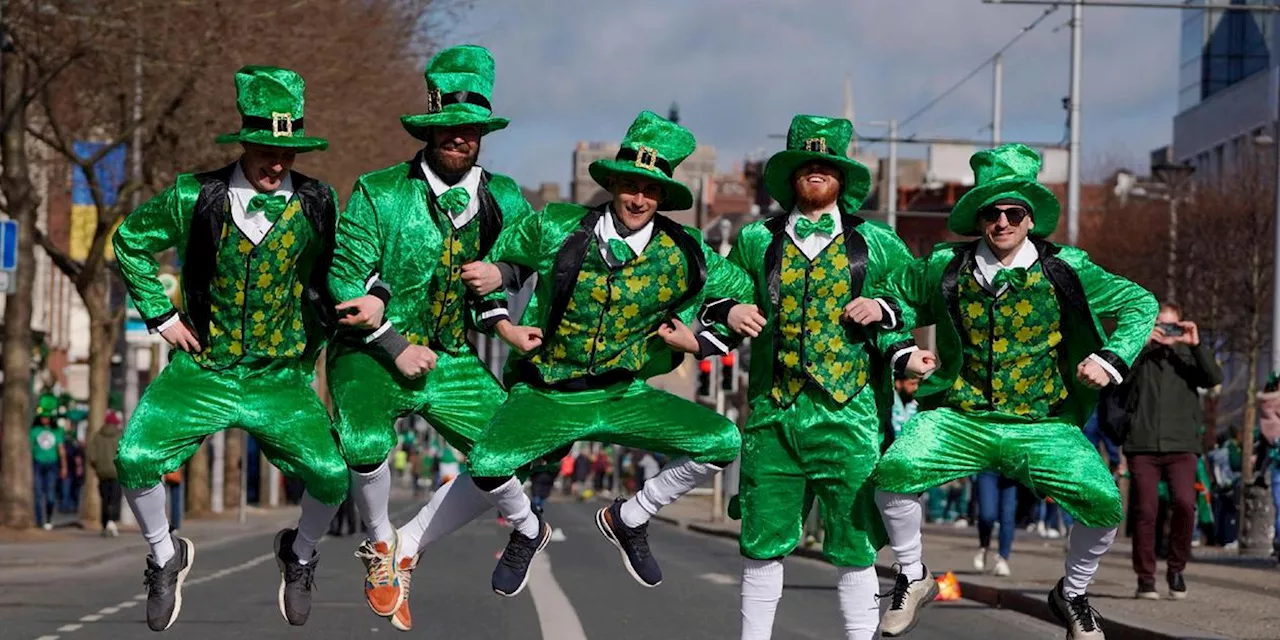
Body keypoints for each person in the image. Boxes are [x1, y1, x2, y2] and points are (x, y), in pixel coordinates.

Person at [862, 144, 1158, 639]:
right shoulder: (946, 267)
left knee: (1105, 502)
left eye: (1013, 212)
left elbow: (1139, 302)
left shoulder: (1067, 269)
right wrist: (901, 349)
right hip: (962, 416)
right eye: (992, 213)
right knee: (894, 471)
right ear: (980, 218)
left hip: (1040, 422)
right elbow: (892, 297)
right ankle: (913, 576)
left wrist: (1110, 359)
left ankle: (1073, 593)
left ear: (1029, 217)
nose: (1002, 222)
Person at [464, 110, 754, 598]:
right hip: (549, 391)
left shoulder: (685, 250)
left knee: (723, 440)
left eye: (651, 191)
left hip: (624, 393)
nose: (639, 199)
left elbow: (738, 298)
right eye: (630, 186)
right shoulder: (557, 224)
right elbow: (500, 265)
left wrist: (700, 341)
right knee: (486, 463)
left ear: (662, 196)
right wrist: (501, 317)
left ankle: (631, 516)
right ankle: (528, 529)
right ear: (613, 184)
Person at [112, 66, 355, 630]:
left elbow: (339, 270)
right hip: (204, 368)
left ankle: (299, 553)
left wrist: (352, 318)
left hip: (279, 377)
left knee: (332, 474)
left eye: (288, 151)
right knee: (133, 457)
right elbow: (129, 240)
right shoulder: (194, 196)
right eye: (266, 148)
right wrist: (163, 314)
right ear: (244, 141)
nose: (276, 162)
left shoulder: (319, 202)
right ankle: (163, 554)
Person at [323, 44, 534, 631]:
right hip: (372, 351)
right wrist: (393, 341)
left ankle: (410, 545)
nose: (457, 138)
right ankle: (380, 545)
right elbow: (345, 277)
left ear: (481, 134)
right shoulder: (379, 191)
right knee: (364, 441)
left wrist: (505, 287)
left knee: (517, 445)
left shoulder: (505, 198)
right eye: (446, 128)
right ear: (429, 129)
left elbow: (519, 261)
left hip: (455, 357)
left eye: (468, 129)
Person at [714, 114, 916, 640]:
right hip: (773, 412)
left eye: (826, 165)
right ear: (792, 176)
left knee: (855, 543)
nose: (816, 173)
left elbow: (913, 295)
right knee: (762, 538)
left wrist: (884, 308)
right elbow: (728, 287)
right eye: (807, 165)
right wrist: (731, 310)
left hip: (850, 415)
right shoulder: (757, 237)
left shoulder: (877, 241)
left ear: (842, 177)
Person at [1122, 302, 1222, 599]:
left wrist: (1195, 344)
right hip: (1143, 444)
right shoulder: (1142, 355)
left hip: (1182, 444)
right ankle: (1146, 578)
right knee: (1146, 510)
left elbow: (1214, 379)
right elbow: (1119, 382)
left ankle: (1176, 568)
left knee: (1184, 503)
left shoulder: (1188, 356)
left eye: (1172, 326)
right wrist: (1142, 344)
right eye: (1161, 325)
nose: (1166, 332)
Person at [29, 394, 66, 531]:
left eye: (47, 417)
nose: (45, 419)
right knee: (38, 493)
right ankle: (39, 520)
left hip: (52, 465)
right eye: (43, 417)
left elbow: (61, 449)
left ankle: (49, 519)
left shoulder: (57, 431)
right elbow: (30, 448)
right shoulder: (35, 431)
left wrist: (64, 466)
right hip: (38, 464)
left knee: (50, 494)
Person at [88, 410, 124, 537]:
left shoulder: (98, 435)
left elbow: (91, 455)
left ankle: (104, 524)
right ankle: (112, 520)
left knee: (105, 498)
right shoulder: (120, 435)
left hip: (102, 472)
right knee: (115, 498)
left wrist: (97, 467)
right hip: (116, 472)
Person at [974, 472, 1018, 577]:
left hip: (1011, 471)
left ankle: (1003, 558)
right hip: (988, 468)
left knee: (1008, 516)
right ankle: (984, 545)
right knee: (987, 515)